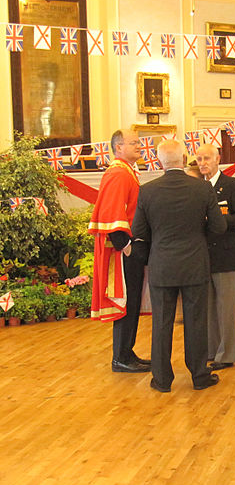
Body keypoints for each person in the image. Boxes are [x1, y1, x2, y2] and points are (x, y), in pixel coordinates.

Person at [131, 139, 226, 392]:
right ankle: (199, 376)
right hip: (195, 263)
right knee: (196, 322)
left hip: (162, 264)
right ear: (184, 160)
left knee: (161, 323)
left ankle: (161, 380)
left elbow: (138, 230)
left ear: (160, 161)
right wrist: (197, 232)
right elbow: (218, 227)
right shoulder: (202, 189)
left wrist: (158, 240)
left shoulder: (147, 190)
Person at [88, 129, 150, 373]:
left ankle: (126, 352)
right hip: (124, 251)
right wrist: (126, 246)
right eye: (134, 143)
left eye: (139, 142)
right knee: (127, 302)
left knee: (132, 302)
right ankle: (121, 357)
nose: (140, 146)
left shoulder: (126, 172)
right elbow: (112, 214)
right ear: (119, 147)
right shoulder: (118, 174)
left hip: (128, 249)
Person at [194, 144, 235, 371]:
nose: (203, 163)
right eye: (198, 159)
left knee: (225, 307)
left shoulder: (232, 185)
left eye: (207, 158)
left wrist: (217, 221)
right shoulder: (196, 187)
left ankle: (226, 354)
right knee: (207, 306)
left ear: (218, 159)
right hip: (203, 255)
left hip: (225, 253)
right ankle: (211, 349)